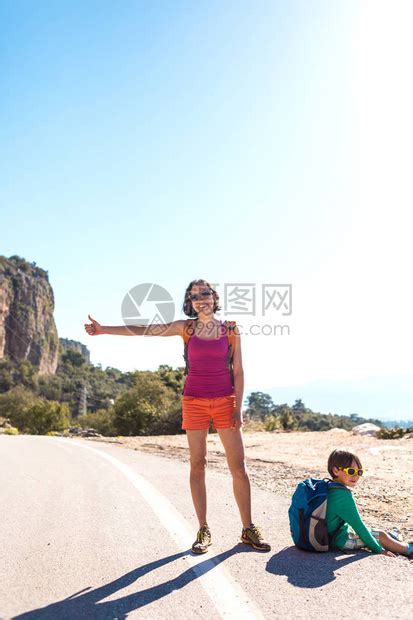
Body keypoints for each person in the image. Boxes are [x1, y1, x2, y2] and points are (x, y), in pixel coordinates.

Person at [84, 278, 271, 554]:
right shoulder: (186, 328)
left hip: (224, 400)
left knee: (238, 467)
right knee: (198, 463)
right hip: (193, 401)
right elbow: (144, 330)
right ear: (190, 303)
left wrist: (237, 407)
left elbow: (239, 370)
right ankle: (204, 529)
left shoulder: (230, 328)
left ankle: (247, 528)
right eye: (195, 297)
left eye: (205, 294)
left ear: (214, 297)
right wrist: (103, 330)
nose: (201, 300)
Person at [326, 449, 413, 558]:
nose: (356, 476)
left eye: (359, 472)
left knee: (374, 532)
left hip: (326, 535)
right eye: (351, 471)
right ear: (335, 471)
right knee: (380, 535)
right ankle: (408, 549)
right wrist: (379, 550)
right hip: (338, 541)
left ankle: (393, 539)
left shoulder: (328, 486)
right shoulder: (343, 496)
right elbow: (359, 526)